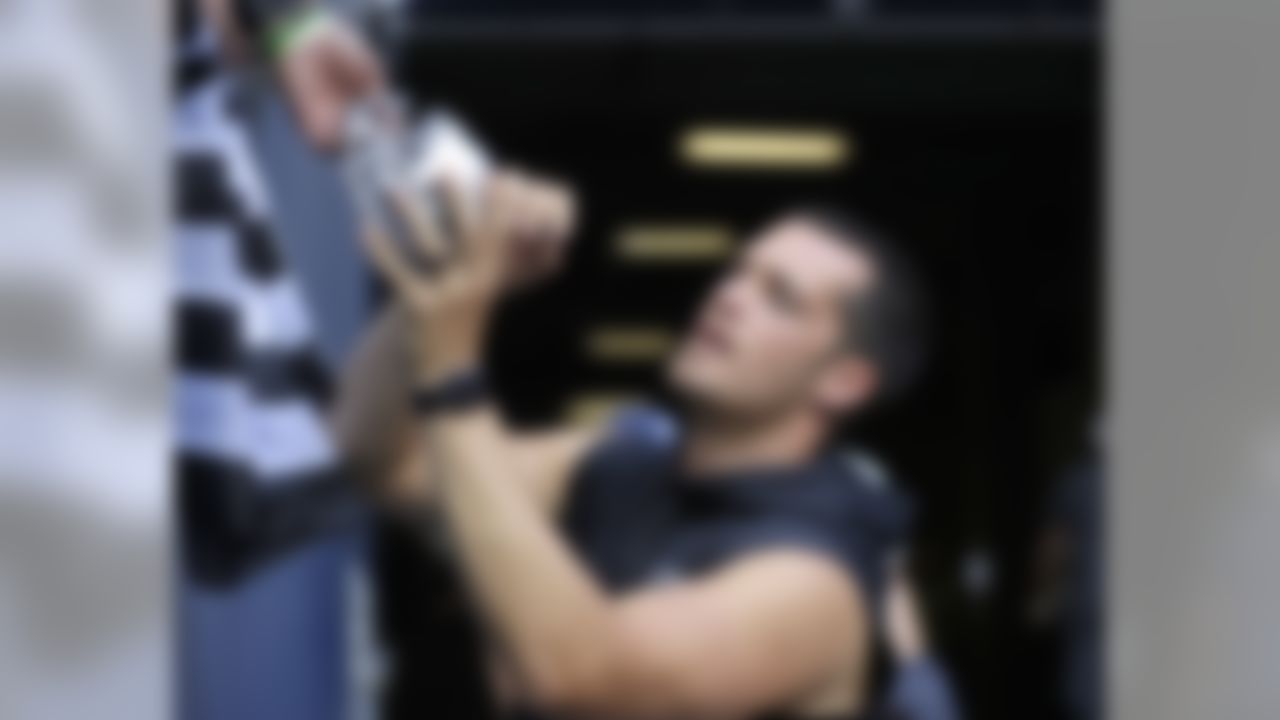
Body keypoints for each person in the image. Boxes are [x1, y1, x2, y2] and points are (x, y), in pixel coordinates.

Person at [337, 174, 931, 719]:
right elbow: (386, 462)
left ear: (843, 382)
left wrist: (450, 371)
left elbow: (581, 676)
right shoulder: (618, 462)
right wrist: (448, 285)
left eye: (780, 297)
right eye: (738, 272)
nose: (730, 296)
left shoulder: (816, 582)